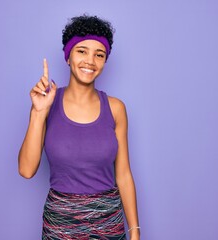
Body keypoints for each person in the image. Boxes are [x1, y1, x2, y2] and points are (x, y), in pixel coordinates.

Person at [18, 14, 140, 240]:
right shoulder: (46, 103)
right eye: (82, 51)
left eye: (99, 54)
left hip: (108, 223)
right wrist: (38, 112)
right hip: (60, 225)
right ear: (68, 56)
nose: (90, 61)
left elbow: (123, 174)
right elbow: (26, 170)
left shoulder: (115, 108)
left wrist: (135, 231)